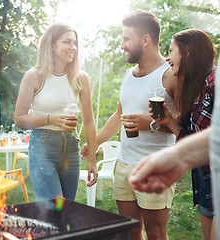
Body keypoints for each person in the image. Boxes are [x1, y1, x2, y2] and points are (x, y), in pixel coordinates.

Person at [82, 10, 178, 240]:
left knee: (156, 234)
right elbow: (119, 114)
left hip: (155, 166)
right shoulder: (128, 74)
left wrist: (152, 124)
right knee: (129, 233)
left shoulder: (170, 75)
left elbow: (183, 124)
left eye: (126, 38)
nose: (122, 45)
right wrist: (96, 142)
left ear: (145, 39)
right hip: (124, 164)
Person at [14, 23, 98, 201]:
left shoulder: (81, 78)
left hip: (71, 147)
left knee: (67, 208)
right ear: (52, 45)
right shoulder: (34, 76)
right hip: (42, 146)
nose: (73, 47)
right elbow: (20, 119)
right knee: (52, 211)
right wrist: (50, 119)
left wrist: (92, 159)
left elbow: (89, 121)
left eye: (75, 43)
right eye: (67, 42)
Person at [150, 29, 215, 240]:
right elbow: (193, 144)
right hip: (207, 186)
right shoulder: (196, 89)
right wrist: (167, 120)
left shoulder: (214, 85)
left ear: (187, 51)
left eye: (171, 51)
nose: (167, 57)